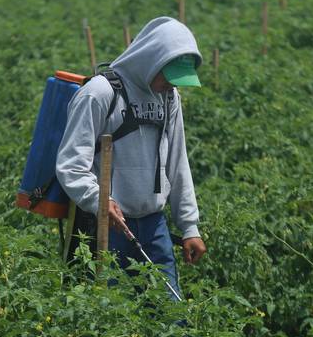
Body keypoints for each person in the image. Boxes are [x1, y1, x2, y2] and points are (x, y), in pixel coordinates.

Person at [56, 16, 207, 296]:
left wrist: (189, 227)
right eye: (167, 76)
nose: (170, 85)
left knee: (169, 314)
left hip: (154, 226)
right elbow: (71, 165)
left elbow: (177, 162)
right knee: (110, 316)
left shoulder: (170, 98)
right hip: (106, 225)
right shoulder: (100, 93)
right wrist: (99, 200)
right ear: (151, 60)